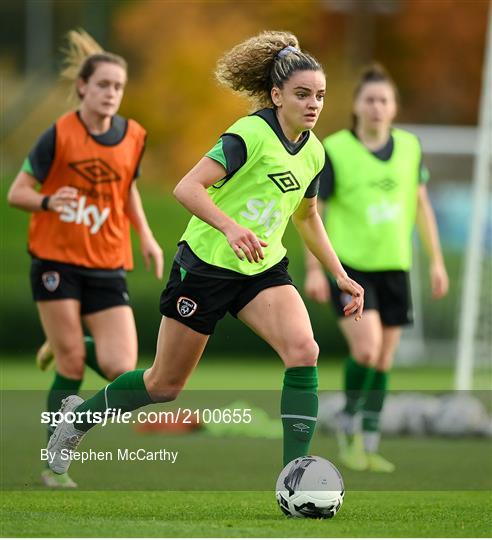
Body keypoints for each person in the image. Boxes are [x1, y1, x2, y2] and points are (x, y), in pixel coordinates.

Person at [46, 30, 364, 479]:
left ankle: (296, 474)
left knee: (303, 349)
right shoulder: (249, 134)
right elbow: (186, 187)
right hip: (206, 267)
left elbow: (308, 217)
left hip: (262, 269)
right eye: (302, 94)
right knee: (163, 386)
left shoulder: (314, 152)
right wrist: (231, 228)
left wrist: (339, 274)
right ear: (276, 95)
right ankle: (76, 420)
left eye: (320, 96)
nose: (314, 104)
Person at [7, 29, 163, 488]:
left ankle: (62, 340)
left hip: (107, 261)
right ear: (83, 88)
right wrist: (50, 202)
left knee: (121, 366)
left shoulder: (134, 135)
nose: (111, 93)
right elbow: (18, 193)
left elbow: (127, 189)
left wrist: (148, 237)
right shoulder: (58, 136)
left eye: (118, 86)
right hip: (56, 260)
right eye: (103, 85)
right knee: (73, 365)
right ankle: (55, 465)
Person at [304, 64, 449, 473]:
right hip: (350, 268)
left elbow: (421, 204)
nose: (376, 107)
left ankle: (369, 444)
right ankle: (348, 425)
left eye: (384, 100)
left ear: (394, 106)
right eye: (369, 99)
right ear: (355, 105)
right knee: (365, 350)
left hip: (394, 267)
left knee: (384, 360)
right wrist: (316, 270)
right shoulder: (334, 149)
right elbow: (312, 213)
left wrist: (436, 261)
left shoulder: (409, 147)